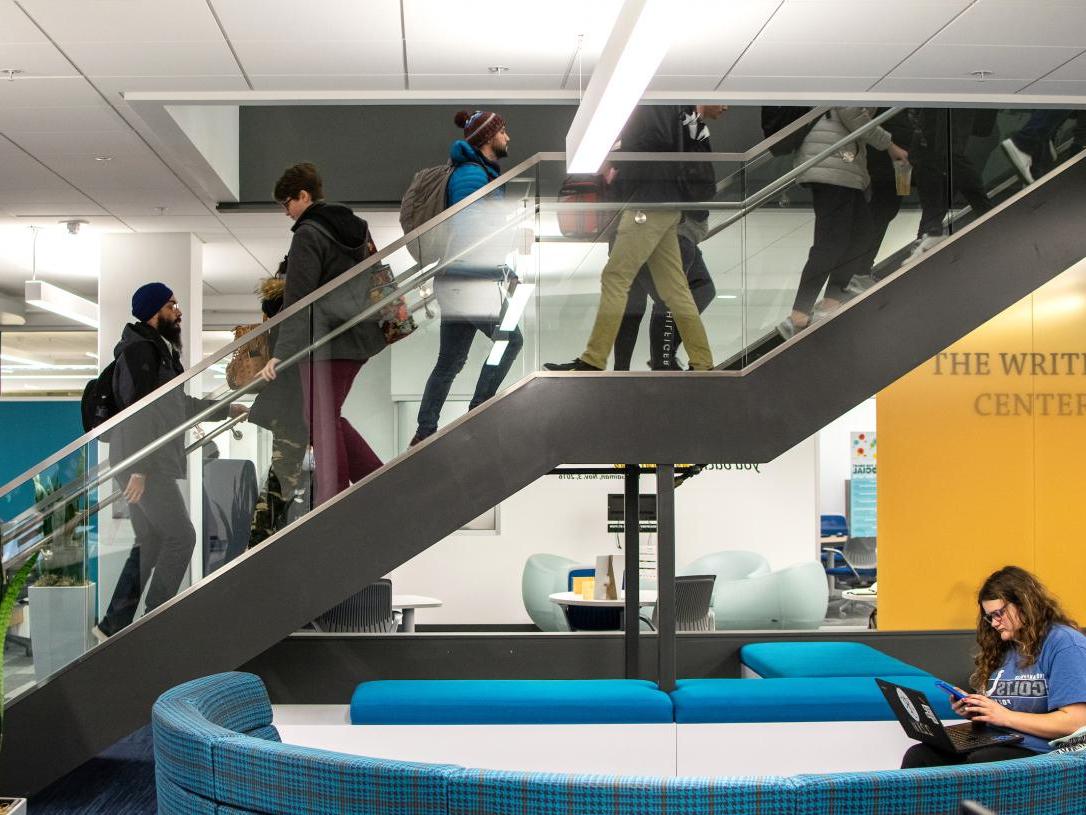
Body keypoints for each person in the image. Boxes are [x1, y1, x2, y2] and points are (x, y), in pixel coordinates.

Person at [94, 283, 246, 640]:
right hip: (145, 462)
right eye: (171, 305)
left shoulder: (159, 351)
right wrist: (140, 469)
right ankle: (156, 618)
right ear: (153, 311)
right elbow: (138, 411)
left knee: (151, 540)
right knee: (182, 536)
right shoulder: (141, 352)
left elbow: (177, 408)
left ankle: (113, 624)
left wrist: (226, 408)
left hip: (145, 460)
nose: (178, 311)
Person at [545, 104, 715, 372]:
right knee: (675, 289)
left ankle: (593, 359)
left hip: (647, 203)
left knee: (615, 277)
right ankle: (703, 362)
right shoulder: (674, 108)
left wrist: (616, 155)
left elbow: (653, 145)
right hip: (665, 203)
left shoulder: (652, 103)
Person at [258, 162, 386, 507]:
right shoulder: (357, 228)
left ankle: (336, 499)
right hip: (358, 335)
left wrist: (281, 352)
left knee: (319, 419)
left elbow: (299, 298)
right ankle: (375, 480)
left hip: (324, 340)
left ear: (304, 195)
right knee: (327, 416)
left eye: (287, 204)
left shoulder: (308, 233)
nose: (286, 213)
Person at [901, 565, 1086, 768]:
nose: (995, 623)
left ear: (1025, 605)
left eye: (999, 613)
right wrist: (976, 709)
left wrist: (1004, 716)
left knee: (980, 765)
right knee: (920, 755)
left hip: (1037, 750)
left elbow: (1076, 722)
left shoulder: (1064, 644)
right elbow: (1000, 710)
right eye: (990, 617)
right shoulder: (1004, 646)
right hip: (996, 739)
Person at [411, 110, 522, 445]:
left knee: (450, 362)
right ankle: (478, 412)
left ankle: (424, 431)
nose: (508, 138)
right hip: (467, 280)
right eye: (503, 132)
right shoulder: (471, 175)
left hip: (459, 279)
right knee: (511, 340)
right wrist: (513, 238)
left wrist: (505, 268)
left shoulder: (477, 172)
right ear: (489, 137)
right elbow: (470, 233)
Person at [778, 107, 909, 339]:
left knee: (863, 234)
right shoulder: (859, 79)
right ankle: (798, 316)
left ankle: (831, 302)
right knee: (831, 242)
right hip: (831, 162)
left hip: (844, 167)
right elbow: (854, 115)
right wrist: (889, 145)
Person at [613, 105, 725, 371]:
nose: (726, 106)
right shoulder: (673, 115)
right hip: (669, 218)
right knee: (668, 296)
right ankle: (661, 363)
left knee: (700, 288)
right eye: (722, 97)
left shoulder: (691, 121)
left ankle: (656, 361)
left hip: (676, 217)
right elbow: (671, 164)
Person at [248, 260, 308, 546]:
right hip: (290, 405)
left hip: (283, 403)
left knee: (284, 477)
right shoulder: (293, 309)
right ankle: (258, 543)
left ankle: (263, 541)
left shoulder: (276, 307)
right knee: (282, 481)